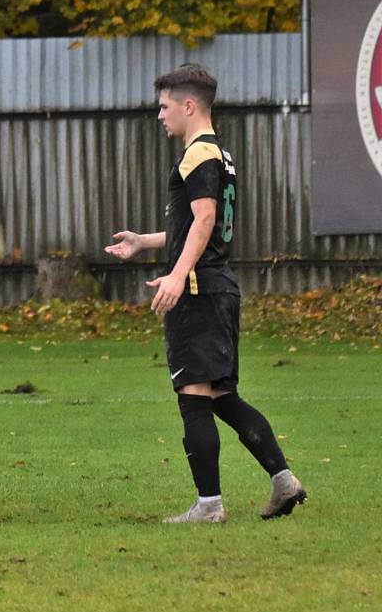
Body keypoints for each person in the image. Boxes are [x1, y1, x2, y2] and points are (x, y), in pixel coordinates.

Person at [105, 63, 307, 523]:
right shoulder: (221, 155)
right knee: (222, 398)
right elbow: (193, 225)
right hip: (220, 287)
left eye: (164, 106)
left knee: (193, 396)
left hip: (199, 292)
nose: (160, 115)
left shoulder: (197, 155)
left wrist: (176, 275)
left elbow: (205, 220)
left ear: (188, 105)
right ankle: (283, 480)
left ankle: (209, 506)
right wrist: (144, 241)